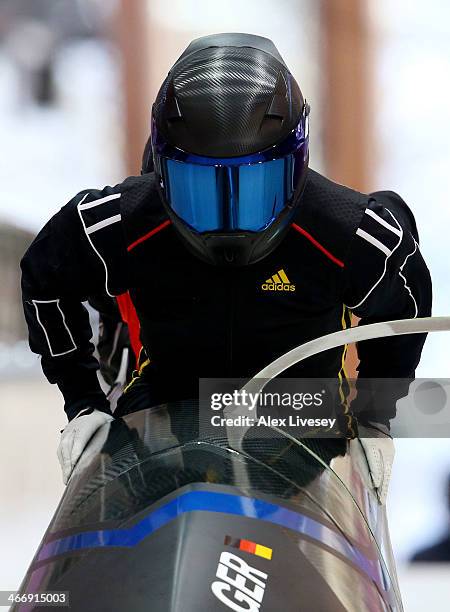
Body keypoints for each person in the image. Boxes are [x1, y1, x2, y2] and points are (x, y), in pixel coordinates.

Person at [21, 33, 431, 500]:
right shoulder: (128, 219)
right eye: (200, 188)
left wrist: (375, 417)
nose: (228, 221)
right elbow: (45, 276)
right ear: (163, 174)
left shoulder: (346, 230)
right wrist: (84, 403)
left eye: (255, 187)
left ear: (294, 166)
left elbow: (403, 305)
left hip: (303, 420)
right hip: (165, 412)